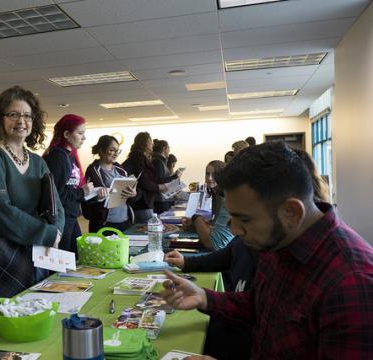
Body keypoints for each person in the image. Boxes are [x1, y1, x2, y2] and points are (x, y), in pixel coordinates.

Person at [161, 141, 373, 359]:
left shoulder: (353, 284)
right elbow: (260, 305)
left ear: (291, 212)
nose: (234, 229)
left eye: (244, 219)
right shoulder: (277, 241)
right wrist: (204, 297)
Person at [0, 86, 65, 302]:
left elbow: (57, 207)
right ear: (1, 119)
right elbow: (0, 208)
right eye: (13, 114)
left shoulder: (38, 161)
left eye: (27, 115)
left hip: (36, 250)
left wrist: (57, 233)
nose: (21, 121)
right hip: (3, 253)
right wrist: (46, 234)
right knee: (10, 316)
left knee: (37, 308)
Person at [43, 114, 98, 254]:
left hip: (71, 217)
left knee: (76, 259)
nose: (84, 138)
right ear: (67, 134)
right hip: (62, 220)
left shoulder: (70, 156)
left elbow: (72, 189)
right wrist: (82, 192)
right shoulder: (58, 158)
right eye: (80, 133)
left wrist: (94, 194)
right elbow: (57, 195)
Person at [83, 135, 137, 232]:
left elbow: (129, 196)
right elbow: (88, 198)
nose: (116, 153)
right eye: (112, 150)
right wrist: (99, 195)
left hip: (125, 220)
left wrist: (133, 193)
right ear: (102, 150)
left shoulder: (120, 169)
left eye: (117, 150)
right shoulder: (93, 170)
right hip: (105, 223)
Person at [182, 160, 233, 250]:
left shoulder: (224, 197)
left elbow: (215, 235)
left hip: (219, 244)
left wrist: (196, 220)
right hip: (221, 241)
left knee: (197, 217)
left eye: (214, 175)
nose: (209, 178)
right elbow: (214, 225)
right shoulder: (216, 194)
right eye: (207, 174)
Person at [122, 132, 168, 222]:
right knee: (148, 230)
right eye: (150, 141)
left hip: (142, 201)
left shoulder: (139, 156)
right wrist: (158, 187)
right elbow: (143, 180)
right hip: (142, 202)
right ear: (145, 143)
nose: (152, 144)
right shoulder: (138, 157)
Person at [152, 139, 182, 214]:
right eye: (169, 148)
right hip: (160, 200)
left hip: (163, 198)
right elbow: (160, 181)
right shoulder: (158, 161)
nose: (169, 150)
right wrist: (175, 176)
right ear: (164, 148)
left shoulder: (161, 161)